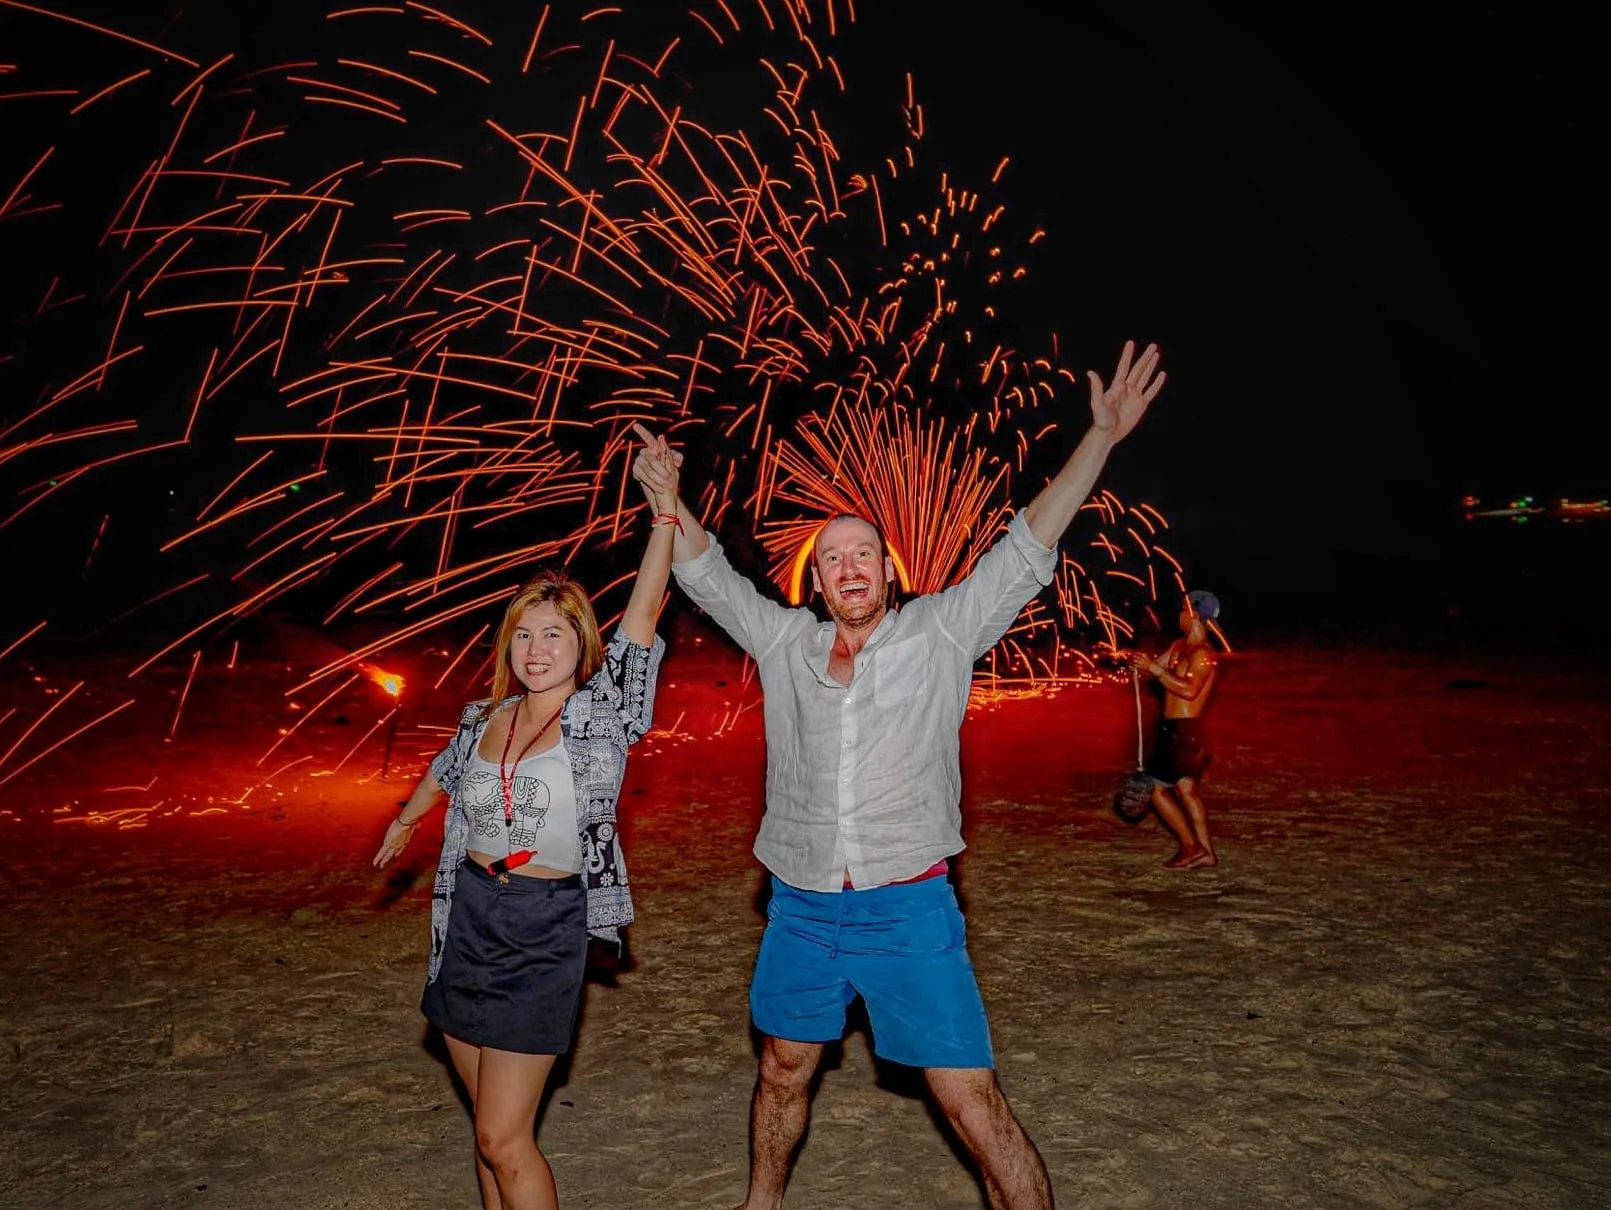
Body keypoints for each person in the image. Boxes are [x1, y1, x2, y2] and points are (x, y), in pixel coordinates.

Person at [634, 341, 1166, 1210]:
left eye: (863, 554)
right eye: (832, 557)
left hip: (907, 906)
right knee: (782, 1070)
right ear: (816, 581)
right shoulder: (786, 642)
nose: (849, 567)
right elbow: (707, 575)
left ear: (889, 571)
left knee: (970, 1101)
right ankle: (760, 1205)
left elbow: (1028, 543)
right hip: (801, 905)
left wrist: (1099, 439)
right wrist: (667, 499)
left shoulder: (942, 632)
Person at [373, 423, 676, 1210]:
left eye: (554, 634)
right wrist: (405, 820)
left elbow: (644, 613)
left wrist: (664, 513)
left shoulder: (601, 717)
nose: (537, 649)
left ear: (582, 642)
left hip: (545, 926)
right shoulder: (485, 718)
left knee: (505, 1137)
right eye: (524, 636)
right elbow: (445, 770)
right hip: (467, 915)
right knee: (485, 1130)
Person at [1130, 589, 1221, 869]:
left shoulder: (1203, 655)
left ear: (1194, 614)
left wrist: (1157, 671)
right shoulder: (1180, 646)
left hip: (1185, 732)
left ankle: (1190, 847)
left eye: (1183, 608)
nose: (1179, 614)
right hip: (1174, 729)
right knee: (1186, 792)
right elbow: (1154, 670)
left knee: (1154, 791)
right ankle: (1206, 853)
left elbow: (1190, 691)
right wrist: (1139, 664)